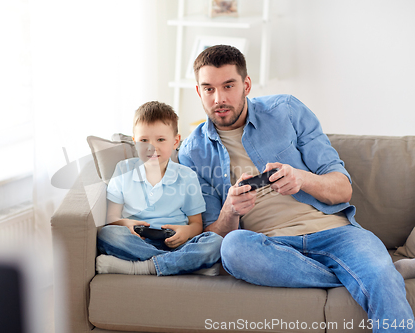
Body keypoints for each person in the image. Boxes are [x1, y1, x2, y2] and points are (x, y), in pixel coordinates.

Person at [178, 45, 414, 330]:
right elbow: (210, 235)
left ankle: (376, 272)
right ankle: (377, 273)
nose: (219, 98)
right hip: (272, 246)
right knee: (232, 248)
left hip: (336, 234)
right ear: (198, 91)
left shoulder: (287, 110)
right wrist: (229, 211)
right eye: (209, 89)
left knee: (374, 268)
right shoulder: (192, 152)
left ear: (246, 85)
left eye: (229, 86)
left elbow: (342, 189)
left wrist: (302, 179)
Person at [96, 101, 223, 276]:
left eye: (161, 140)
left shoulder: (187, 176)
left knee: (215, 242)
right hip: (138, 241)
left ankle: (143, 268)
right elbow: (112, 218)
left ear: (175, 141)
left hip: (177, 242)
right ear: (134, 142)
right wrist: (127, 224)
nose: (152, 147)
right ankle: (182, 264)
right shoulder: (123, 169)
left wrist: (186, 232)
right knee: (107, 235)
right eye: (144, 140)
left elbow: (196, 224)